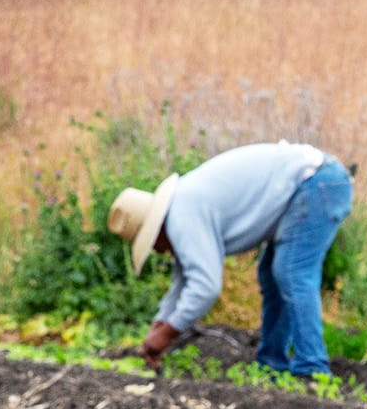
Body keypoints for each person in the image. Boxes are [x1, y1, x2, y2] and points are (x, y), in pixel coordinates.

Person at [107, 141, 353, 376]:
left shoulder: (183, 218)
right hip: (313, 183)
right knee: (273, 275)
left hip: (317, 183)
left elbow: (206, 287)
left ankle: (312, 368)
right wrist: (160, 323)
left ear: (156, 227)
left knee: (291, 272)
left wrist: (168, 334)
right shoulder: (182, 208)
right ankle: (272, 364)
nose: (158, 251)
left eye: (151, 243)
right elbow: (181, 283)